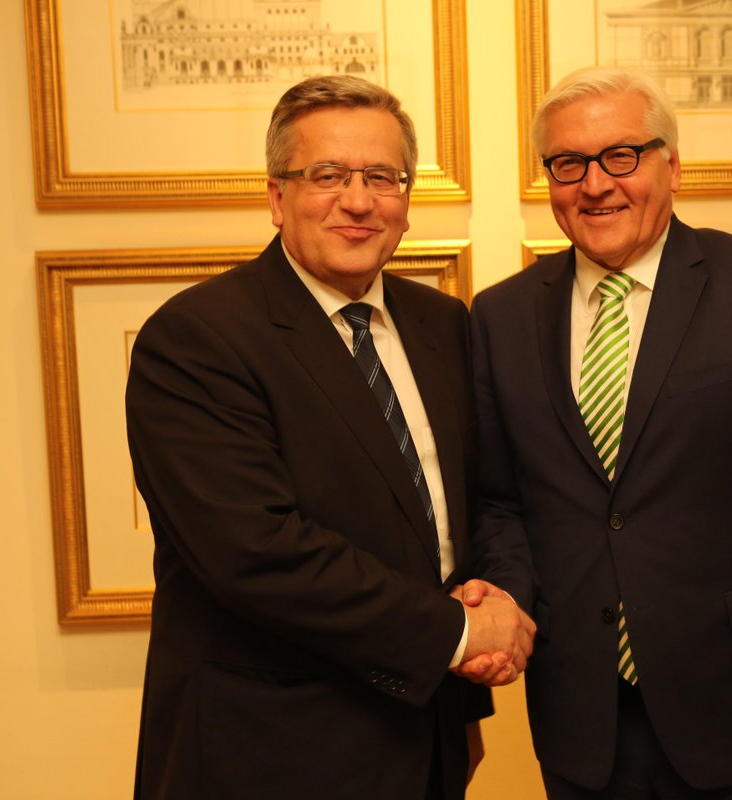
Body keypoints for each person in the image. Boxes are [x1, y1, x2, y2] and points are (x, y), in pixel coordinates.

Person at [463, 66, 732, 798]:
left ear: (673, 166)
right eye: (568, 164)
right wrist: (507, 604)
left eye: (621, 156)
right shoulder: (502, 316)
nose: (595, 185)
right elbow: (500, 502)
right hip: (583, 723)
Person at [126, 75, 534, 800]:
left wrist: (473, 674)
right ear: (277, 196)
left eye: (382, 177)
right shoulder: (196, 338)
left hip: (426, 734)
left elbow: (459, 518)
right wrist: (458, 635)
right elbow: (256, 552)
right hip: (270, 752)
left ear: (405, 200)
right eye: (327, 175)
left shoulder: (442, 324)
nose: (358, 201)